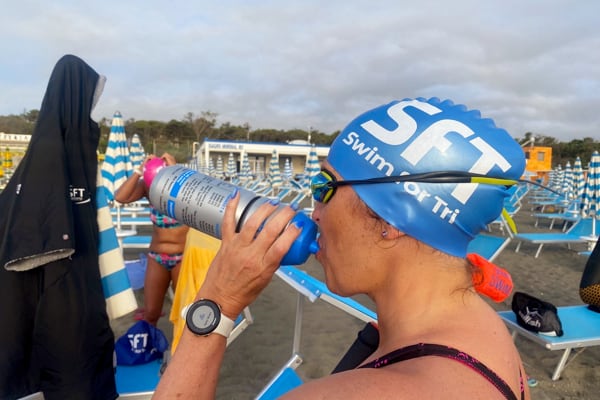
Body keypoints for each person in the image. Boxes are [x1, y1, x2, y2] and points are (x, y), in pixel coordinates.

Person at [154, 97, 531, 399]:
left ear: (390, 221)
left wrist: (217, 304)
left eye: (324, 188)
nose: (313, 212)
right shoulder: (489, 335)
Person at [115, 152, 189, 326]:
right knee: (151, 313)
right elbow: (120, 197)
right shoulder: (147, 189)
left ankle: (182, 351)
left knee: (185, 313)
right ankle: (150, 350)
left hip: (183, 257)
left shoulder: (185, 190)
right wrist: (139, 171)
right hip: (157, 257)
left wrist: (175, 172)